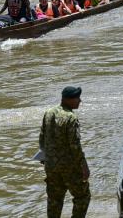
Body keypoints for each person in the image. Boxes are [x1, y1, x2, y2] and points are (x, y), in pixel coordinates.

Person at [39, 86, 90, 218]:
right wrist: (84, 165)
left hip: (51, 166)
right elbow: (75, 146)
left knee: (54, 200)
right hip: (69, 167)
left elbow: (42, 138)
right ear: (69, 100)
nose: (80, 101)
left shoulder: (48, 113)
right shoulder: (71, 117)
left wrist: (45, 158)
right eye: (78, 98)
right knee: (82, 196)